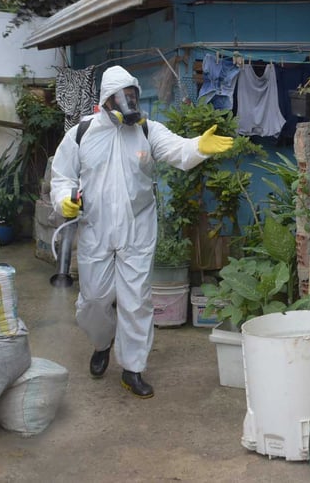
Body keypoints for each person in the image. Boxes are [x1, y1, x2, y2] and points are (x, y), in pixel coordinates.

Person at [50, 66, 234, 398]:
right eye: (122, 98)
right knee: (94, 300)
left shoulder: (148, 131)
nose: (128, 104)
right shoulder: (81, 133)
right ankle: (101, 342)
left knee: (136, 302)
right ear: (106, 101)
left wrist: (199, 147)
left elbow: (178, 149)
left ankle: (132, 369)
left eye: (132, 96)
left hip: (138, 229)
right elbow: (62, 175)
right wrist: (65, 200)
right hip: (96, 230)